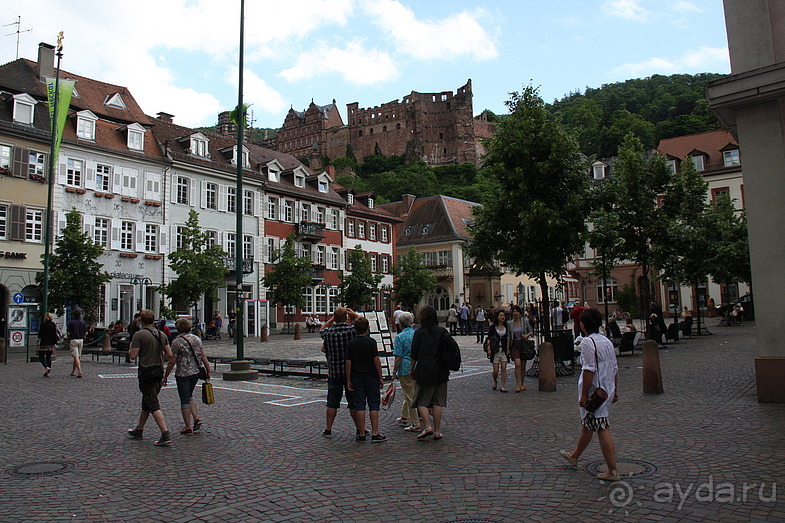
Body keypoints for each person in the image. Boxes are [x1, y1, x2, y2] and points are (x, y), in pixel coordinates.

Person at [559, 308, 620, 481]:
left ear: (583, 325)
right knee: (588, 424)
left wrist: (584, 395)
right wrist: (615, 390)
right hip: (606, 389)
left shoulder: (588, 342)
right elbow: (615, 367)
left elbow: (588, 370)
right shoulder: (606, 341)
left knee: (602, 427)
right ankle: (574, 455)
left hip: (596, 392)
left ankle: (613, 470)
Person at [127, 309, 174, 446]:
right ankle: (139, 430)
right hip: (158, 371)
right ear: (154, 320)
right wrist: (159, 359)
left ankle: (165, 433)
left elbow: (133, 356)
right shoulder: (161, 334)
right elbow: (169, 354)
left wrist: (132, 349)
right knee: (147, 401)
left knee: (152, 403)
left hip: (146, 372)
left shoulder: (139, 335)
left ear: (141, 320)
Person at [320, 307, 362, 437]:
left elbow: (322, 329)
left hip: (334, 371)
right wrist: (354, 314)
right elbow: (364, 324)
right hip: (351, 373)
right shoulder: (352, 330)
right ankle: (359, 429)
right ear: (346, 318)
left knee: (332, 402)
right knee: (353, 402)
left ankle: (328, 428)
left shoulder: (328, 332)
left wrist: (333, 319)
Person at [164, 318, 210, 435]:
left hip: (183, 373)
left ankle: (187, 426)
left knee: (184, 399)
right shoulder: (197, 339)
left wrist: (165, 376)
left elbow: (172, 361)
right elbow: (203, 356)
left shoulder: (177, 342)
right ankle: (196, 418)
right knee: (189, 396)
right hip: (195, 373)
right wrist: (208, 371)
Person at [410, 305, 450, 440]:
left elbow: (414, 355)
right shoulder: (442, 331)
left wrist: (411, 370)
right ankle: (437, 431)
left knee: (422, 401)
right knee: (438, 402)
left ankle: (427, 427)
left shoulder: (419, 333)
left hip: (424, 370)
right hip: (441, 370)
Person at [346, 317, 386, 443]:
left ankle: (361, 433)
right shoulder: (371, 342)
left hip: (357, 377)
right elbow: (376, 360)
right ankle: (375, 433)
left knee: (360, 405)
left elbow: (348, 363)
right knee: (374, 405)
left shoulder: (351, 343)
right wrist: (380, 376)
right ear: (367, 328)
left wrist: (348, 379)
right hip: (371, 376)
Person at [393, 311, 420, 432]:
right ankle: (404, 417)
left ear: (400, 324)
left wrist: (394, 371)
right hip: (416, 367)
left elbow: (398, 356)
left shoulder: (400, 337)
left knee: (410, 396)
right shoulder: (416, 334)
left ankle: (415, 423)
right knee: (410, 392)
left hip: (405, 368)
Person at [508, 305, 534, 392]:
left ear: (520, 313)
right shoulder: (510, 323)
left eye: (517, 311)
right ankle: (517, 383)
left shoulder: (525, 321)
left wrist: (526, 335)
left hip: (523, 345)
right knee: (517, 364)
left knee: (523, 366)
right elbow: (508, 336)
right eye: (514, 312)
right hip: (514, 345)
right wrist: (508, 348)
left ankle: (522, 383)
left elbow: (531, 331)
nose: (515, 313)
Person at [485, 309, 510, 393]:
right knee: (495, 370)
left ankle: (502, 386)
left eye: (503, 315)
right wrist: (489, 349)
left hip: (503, 350)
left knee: (504, 368)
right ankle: (495, 380)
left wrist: (508, 349)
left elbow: (508, 339)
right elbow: (489, 338)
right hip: (495, 350)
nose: (503, 317)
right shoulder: (493, 327)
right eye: (501, 315)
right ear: (497, 317)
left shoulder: (507, 327)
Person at [66, 309, 87, 378]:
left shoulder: (71, 323)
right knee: (78, 357)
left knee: (75, 356)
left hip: (74, 340)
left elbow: (68, 333)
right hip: (81, 340)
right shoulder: (83, 323)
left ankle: (79, 371)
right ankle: (73, 371)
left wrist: (68, 338)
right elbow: (86, 332)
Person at [37, 313, 59, 377]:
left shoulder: (43, 324)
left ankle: (46, 367)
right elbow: (55, 334)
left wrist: (38, 342)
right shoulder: (53, 324)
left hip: (44, 343)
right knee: (48, 357)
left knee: (41, 356)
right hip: (51, 343)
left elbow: (40, 334)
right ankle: (48, 372)